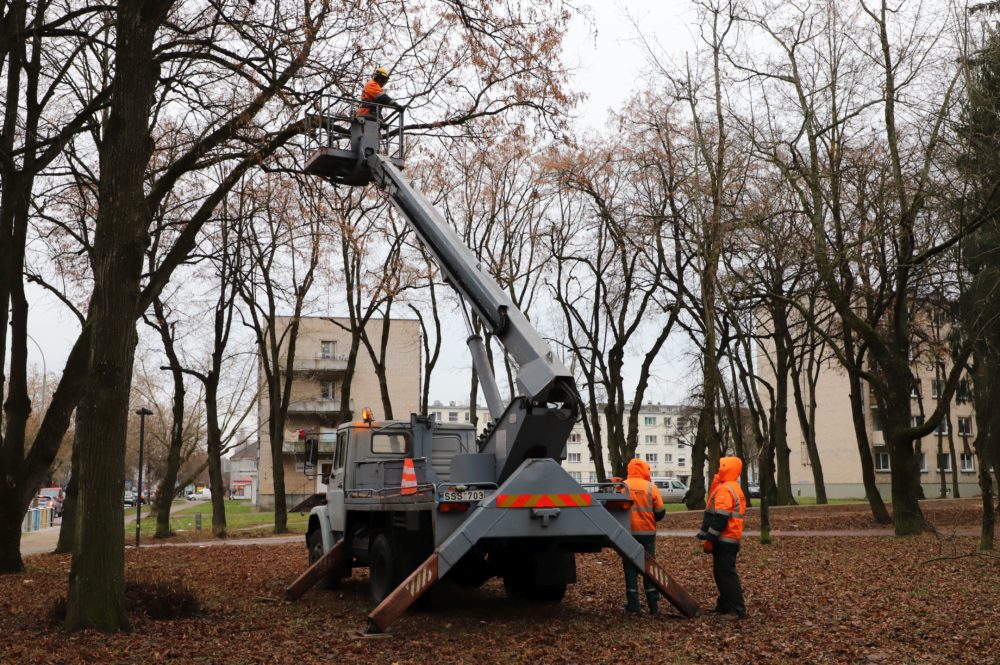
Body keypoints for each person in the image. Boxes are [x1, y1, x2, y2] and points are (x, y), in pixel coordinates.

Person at [697, 456, 747, 619]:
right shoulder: (732, 487)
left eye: (722, 467)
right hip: (730, 537)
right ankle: (724, 605)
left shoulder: (725, 489)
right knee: (721, 573)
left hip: (725, 538)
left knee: (726, 574)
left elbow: (720, 517)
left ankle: (737, 609)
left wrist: (709, 539)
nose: (719, 469)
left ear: (728, 469)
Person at [622, 458, 666, 615]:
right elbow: (660, 512)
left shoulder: (622, 486)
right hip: (647, 533)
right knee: (650, 568)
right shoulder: (650, 487)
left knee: (630, 569)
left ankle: (633, 605)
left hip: (628, 534)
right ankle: (653, 605)